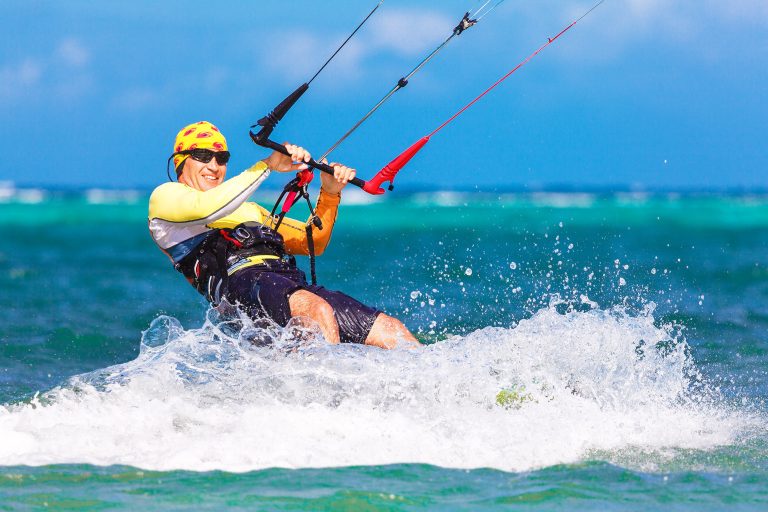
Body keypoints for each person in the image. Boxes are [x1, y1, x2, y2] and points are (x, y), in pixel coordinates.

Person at [148, 121, 420, 349]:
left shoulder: (249, 209)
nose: (214, 165)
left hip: (284, 281)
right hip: (240, 288)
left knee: (390, 330)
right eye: (203, 156)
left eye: (222, 158)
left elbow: (311, 241)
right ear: (181, 162)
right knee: (316, 312)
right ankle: (326, 402)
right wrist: (268, 164)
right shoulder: (166, 198)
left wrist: (331, 192)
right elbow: (208, 209)